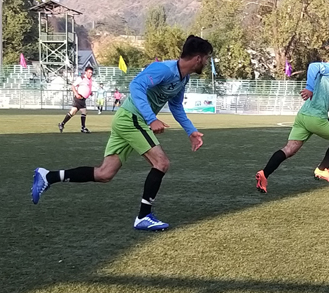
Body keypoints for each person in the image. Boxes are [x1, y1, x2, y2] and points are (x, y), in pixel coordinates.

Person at [32, 35, 212, 231]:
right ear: (198, 58)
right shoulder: (164, 69)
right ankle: (144, 216)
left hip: (127, 119)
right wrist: (152, 119)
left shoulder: (182, 79)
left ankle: (48, 177)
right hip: (131, 119)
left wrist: (191, 131)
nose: (207, 62)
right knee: (161, 163)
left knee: (104, 173)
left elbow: (176, 106)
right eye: (206, 57)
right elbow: (136, 86)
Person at [255, 46, 329, 193]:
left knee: (289, 149)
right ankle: (322, 168)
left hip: (303, 116)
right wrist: (309, 87)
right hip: (316, 117)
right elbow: (313, 66)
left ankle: (264, 174)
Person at [58, 66, 94, 133]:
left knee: (73, 112)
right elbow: (73, 86)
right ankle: (83, 128)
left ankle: (62, 124)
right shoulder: (81, 78)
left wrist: (90, 92)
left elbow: (86, 87)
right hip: (79, 98)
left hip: (83, 99)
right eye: (89, 72)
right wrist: (76, 94)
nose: (91, 74)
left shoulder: (90, 79)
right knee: (84, 111)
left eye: (91, 73)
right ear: (85, 72)